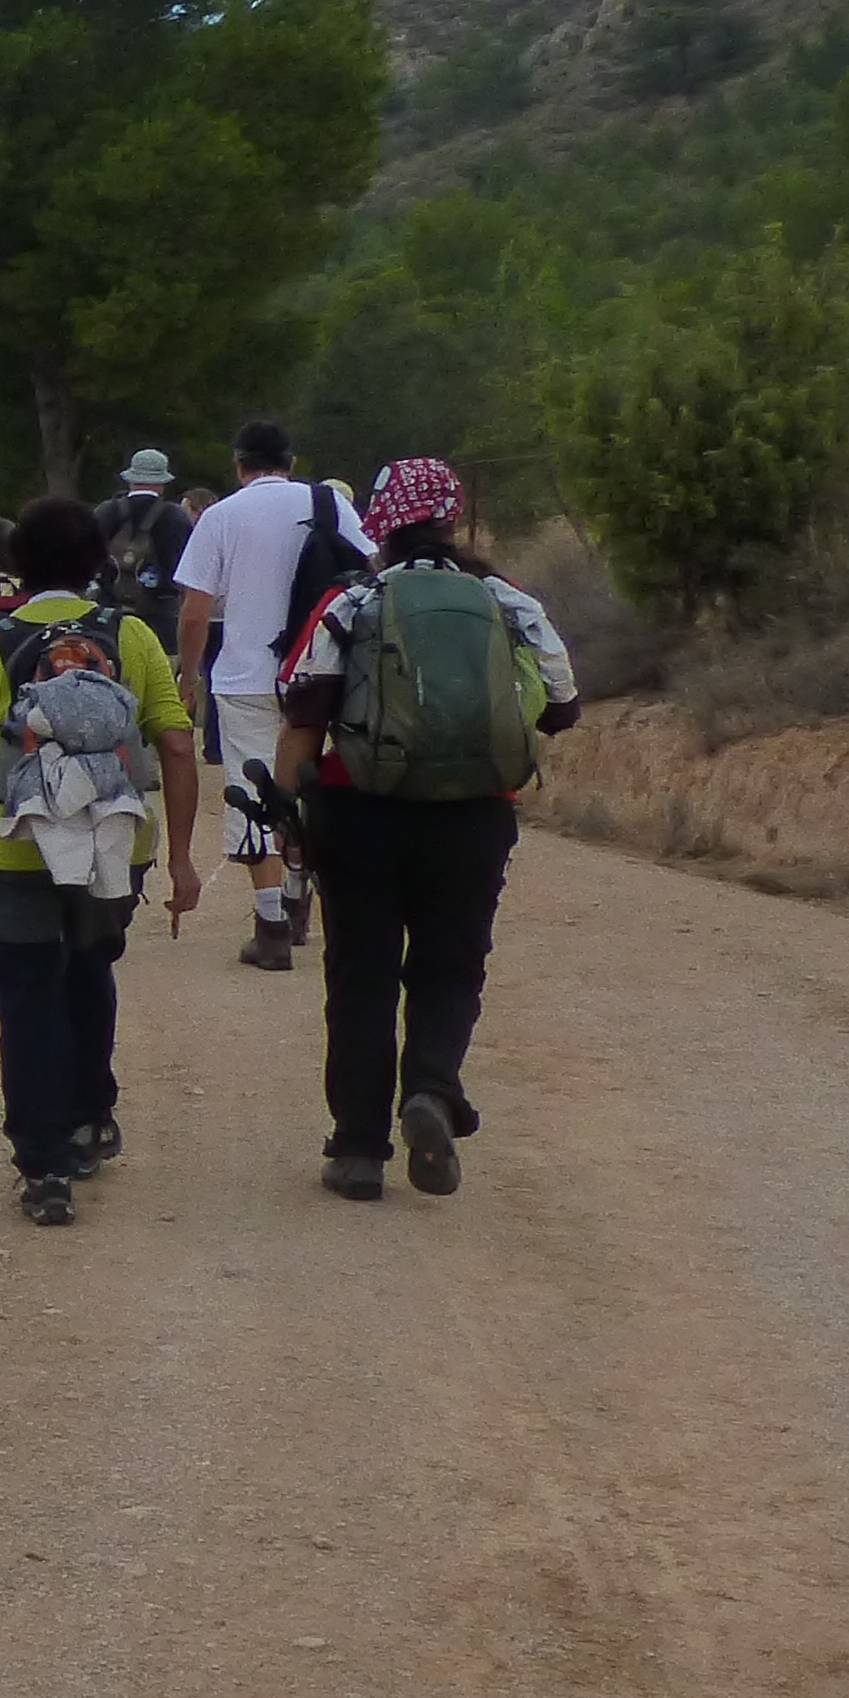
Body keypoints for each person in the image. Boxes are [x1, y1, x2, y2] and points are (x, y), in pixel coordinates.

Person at [272, 458, 583, 1201]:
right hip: (473, 816)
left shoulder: (352, 600)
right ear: (452, 518)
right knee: (451, 965)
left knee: (361, 977)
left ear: (381, 525)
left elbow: (302, 712)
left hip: (360, 811)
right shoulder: (505, 600)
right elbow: (562, 706)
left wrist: (290, 816)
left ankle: (357, 1150)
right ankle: (432, 1090)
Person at [0, 496, 203, 1226]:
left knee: (26, 998)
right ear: (96, 562)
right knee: (88, 971)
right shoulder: (130, 635)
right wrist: (179, 857)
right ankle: (89, 1117)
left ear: (17, 561)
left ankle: (44, 1165)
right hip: (111, 840)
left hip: (15, 844)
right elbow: (177, 745)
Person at [173, 421, 372, 971]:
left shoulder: (220, 516)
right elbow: (370, 573)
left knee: (256, 790)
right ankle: (299, 893)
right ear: (291, 461)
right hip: (325, 674)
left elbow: (195, 612)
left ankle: (271, 924)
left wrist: (189, 678)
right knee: (314, 787)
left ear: (239, 465)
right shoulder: (329, 503)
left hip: (248, 676)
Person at [96, 447, 194, 636]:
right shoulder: (176, 517)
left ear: (131, 479)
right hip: (160, 613)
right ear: (163, 482)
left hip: (109, 611)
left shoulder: (105, 512)